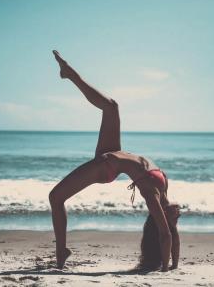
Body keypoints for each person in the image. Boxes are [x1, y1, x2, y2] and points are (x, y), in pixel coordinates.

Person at [49, 50, 180, 271]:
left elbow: (165, 235)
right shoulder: (163, 185)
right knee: (112, 106)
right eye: (176, 217)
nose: (178, 213)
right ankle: (70, 74)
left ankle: (61, 250)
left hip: (106, 166)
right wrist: (175, 264)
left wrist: (165, 269)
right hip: (114, 153)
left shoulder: (152, 195)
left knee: (55, 197)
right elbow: (172, 234)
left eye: (174, 217)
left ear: (160, 216)